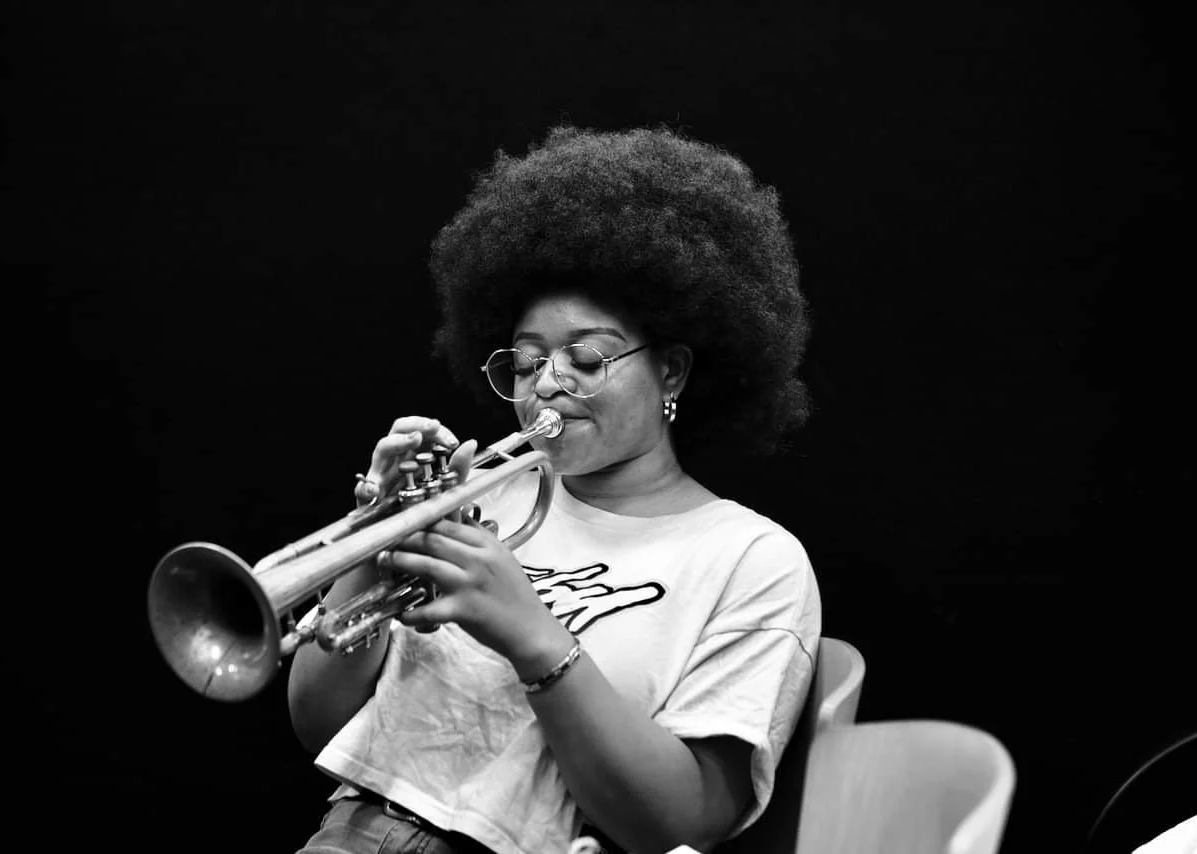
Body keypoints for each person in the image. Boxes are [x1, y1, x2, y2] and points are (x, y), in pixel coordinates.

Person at [287, 124, 821, 854]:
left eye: (588, 358)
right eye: (527, 361)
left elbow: (681, 822)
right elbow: (319, 722)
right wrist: (368, 547)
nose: (547, 383)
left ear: (672, 372)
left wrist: (533, 635)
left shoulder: (751, 558)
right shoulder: (481, 497)